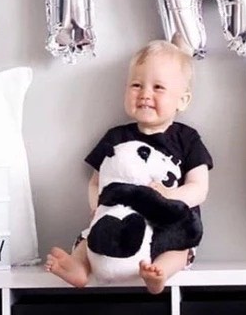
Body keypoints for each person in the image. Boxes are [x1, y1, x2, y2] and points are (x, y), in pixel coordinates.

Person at [45, 39, 212, 294]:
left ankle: (158, 274)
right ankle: (79, 268)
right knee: (89, 238)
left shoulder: (187, 139)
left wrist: (170, 196)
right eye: (136, 85)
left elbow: (199, 188)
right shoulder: (116, 137)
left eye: (158, 87)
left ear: (183, 100)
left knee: (180, 250)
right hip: (117, 224)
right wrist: (98, 206)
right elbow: (96, 181)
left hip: (164, 228)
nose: (145, 94)